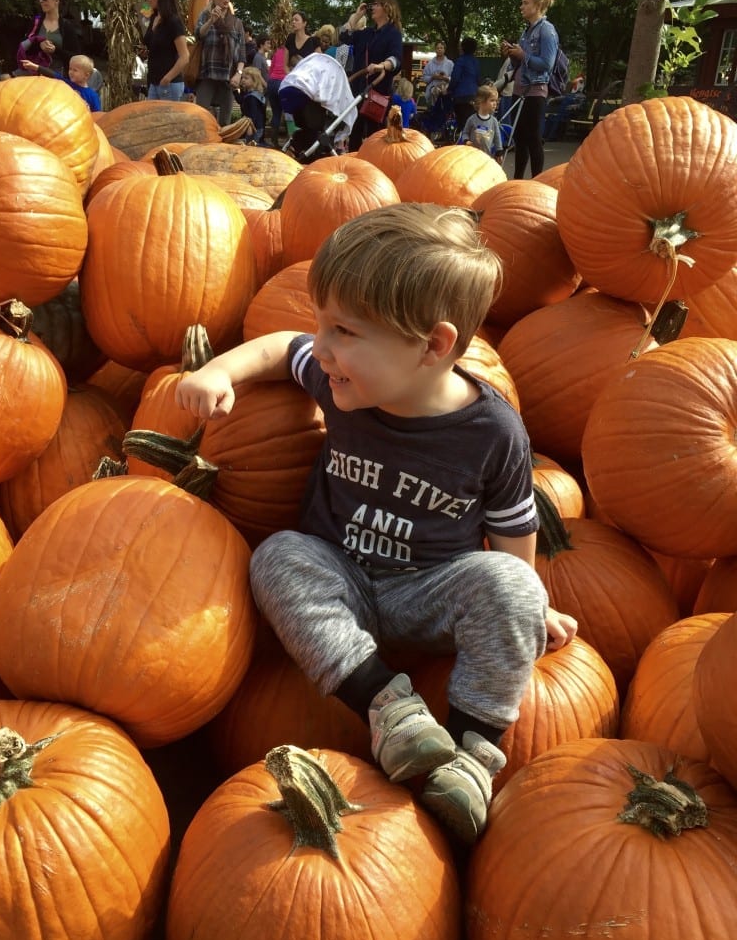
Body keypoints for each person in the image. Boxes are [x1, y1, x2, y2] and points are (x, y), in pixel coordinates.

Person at [175, 203, 578, 845]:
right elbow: (284, 350)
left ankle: (474, 758)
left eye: (344, 331)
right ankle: (388, 708)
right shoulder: (344, 385)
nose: (323, 348)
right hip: (339, 577)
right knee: (277, 556)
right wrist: (218, 371)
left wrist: (530, 606)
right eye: (322, 324)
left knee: (513, 586)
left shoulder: (493, 432)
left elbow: (512, 525)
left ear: (433, 346)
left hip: (429, 591)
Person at [501, 0, 559, 179]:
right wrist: (511, 54)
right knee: (520, 138)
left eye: (525, 3)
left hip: (535, 92)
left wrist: (522, 54)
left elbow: (546, 64)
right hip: (519, 89)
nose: (521, 6)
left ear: (537, 6)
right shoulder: (527, 31)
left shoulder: (547, 30)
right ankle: (517, 179)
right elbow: (521, 62)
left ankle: (537, 180)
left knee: (533, 138)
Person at [340, 0, 403, 151]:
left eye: (376, 4)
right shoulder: (367, 33)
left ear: (386, 7)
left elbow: (396, 60)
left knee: (376, 137)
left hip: (378, 94)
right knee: (355, 135)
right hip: (359, 93)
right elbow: (344, 37)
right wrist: (356, 16)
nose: (372, 7)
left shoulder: (393, 34)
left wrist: (382, 65)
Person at [194, 0, 246, 126]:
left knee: (225, 123)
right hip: (207, 74)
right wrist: (211, 21)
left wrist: (239, 73)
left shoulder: (236, 22)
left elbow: (242, 52)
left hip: (228, 77)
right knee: (201, 118)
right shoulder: (204, 16)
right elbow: (198, 35)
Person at [143, 0, 188, 101]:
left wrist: (167, 78)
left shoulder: (173, 21)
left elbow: (185, 57)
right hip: (154, 82)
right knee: (152, 120)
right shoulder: (154, 17)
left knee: (167, 121)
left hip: (169, 84)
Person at [18, 0, 80, 75]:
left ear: (56, 0)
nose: (41, 1)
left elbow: (76, 57)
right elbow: (24, 47)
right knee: (4, 78)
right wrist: (39, 45)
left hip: (57, 74)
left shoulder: (67, 27)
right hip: (33, 70)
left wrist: (56, 50)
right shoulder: (36, 22)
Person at [20, 52, 101, 110]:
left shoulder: (92, 96)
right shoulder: (66, 84)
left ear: (86, 75)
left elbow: (98, 116)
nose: (71, 72)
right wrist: (34, 66)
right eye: (70, 69)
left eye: (75, 70)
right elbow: (52, 74)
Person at [448, 37, 481, 137]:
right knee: (472, 125)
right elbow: (478, 79)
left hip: (461, 97)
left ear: (462, 47)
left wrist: (449, 89)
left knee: (463, 125)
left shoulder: (460, 61)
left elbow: (455, 78)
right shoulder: (476, 62)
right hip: (473, 96)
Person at [460, 85, 503, 159]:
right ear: (481, 101)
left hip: (486, 156)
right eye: (492, 100)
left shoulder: (494, 121)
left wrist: (499, 152)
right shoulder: (472, 119)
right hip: (471, 155)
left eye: (496, 101)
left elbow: (497, 138)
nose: (495, 103)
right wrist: (466, 141)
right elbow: (465, 133)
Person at [237, 65, 266, 144]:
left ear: (254, 81)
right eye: (242, 78)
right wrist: (235, 91)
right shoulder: (249, 93)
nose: (243, 80)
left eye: (246, 78)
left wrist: (250, 126)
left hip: (254, 127)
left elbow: (253, 113)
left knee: (251, 144)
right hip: (254, 125)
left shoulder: (253, 97)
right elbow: (241, 101)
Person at [266, 38, 287, 147]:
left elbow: (271, 70)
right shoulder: (290, 51)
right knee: (289, 113)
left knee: (276, 113)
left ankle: (274, 140)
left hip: (272, 82)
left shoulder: (277, 51)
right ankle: (290, 142)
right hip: (283, 83)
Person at [421, 40, 453, 107]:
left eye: (441, 48)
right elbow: (424, 78)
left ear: (444, 49)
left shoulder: (450, 64)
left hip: (446, 91)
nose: (439, 50)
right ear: (435, 50)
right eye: (438, 48)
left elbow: (455, 78)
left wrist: (446, 78)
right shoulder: (429, 64)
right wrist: (433, 77)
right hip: (432, 92)